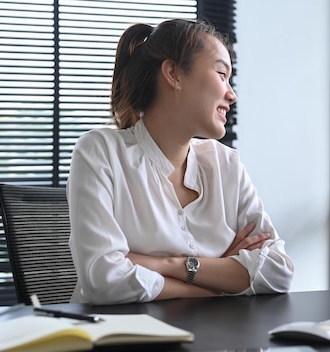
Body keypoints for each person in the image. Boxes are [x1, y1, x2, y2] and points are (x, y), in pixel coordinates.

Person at [66, 19, 294, 305]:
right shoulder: (100, 153)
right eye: (221, 74)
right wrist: (218, 280)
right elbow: (104, 280)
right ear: (173, 73)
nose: (232, 94)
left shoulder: (226, 164)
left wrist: (175, 265)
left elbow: (278, 271)